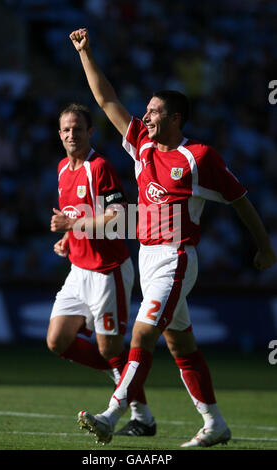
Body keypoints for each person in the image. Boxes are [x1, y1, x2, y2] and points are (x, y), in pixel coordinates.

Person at [69, 29, 277, 448]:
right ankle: (214, 422)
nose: (145, 116)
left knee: (142, 335)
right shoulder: (142, 146)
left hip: (176, 258)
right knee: (180, 342)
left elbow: (240, 201)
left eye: (154, 111)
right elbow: (106, 99)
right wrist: (86, 53)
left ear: (175, 117)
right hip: (147, 258)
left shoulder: (198, 157)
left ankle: (112, 413)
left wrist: (265, 246)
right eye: (146, 110)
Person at [47, 103, 156, 439]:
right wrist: (68, 236)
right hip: (79, 270)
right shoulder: (63, 169)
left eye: (77, 128)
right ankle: (125, 378)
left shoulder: (100, 167)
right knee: (58, 340)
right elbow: (76, 213)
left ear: (90, 132)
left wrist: (72, 223)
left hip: (108, 271)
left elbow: (118, 217)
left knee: (110, 350)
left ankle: (142, 416)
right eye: (65, 129)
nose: (70, 135)